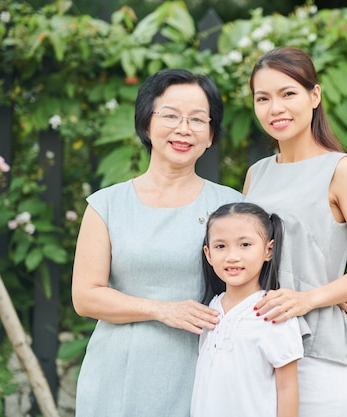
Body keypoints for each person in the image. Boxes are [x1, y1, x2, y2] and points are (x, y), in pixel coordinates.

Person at [71, 69, 243, 417]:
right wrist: (162, 309)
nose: (184, 129)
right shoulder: (107, 205)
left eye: (197, 119)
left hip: (203, 374)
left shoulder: (231, 206)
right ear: (146, 124)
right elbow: (85, 297)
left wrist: (333, 293)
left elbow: (263, 280)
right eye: (170, 115)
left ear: (210, 134)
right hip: (117, 376)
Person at [243, 46, 347, 416]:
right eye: (262, 98)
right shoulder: (257, 174)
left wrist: (311, 297)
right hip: (255, 347)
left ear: (315, 95)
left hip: (317, 353)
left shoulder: (339, 170)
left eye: (287, 93)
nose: (275, 108)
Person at [191, 202, 303, 417]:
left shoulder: (273, 312)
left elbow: (287, 387)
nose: (232, 256)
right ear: (208, 253)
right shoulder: (210, 310)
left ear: (268, 250)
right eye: (220, 246)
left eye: (244, 245)